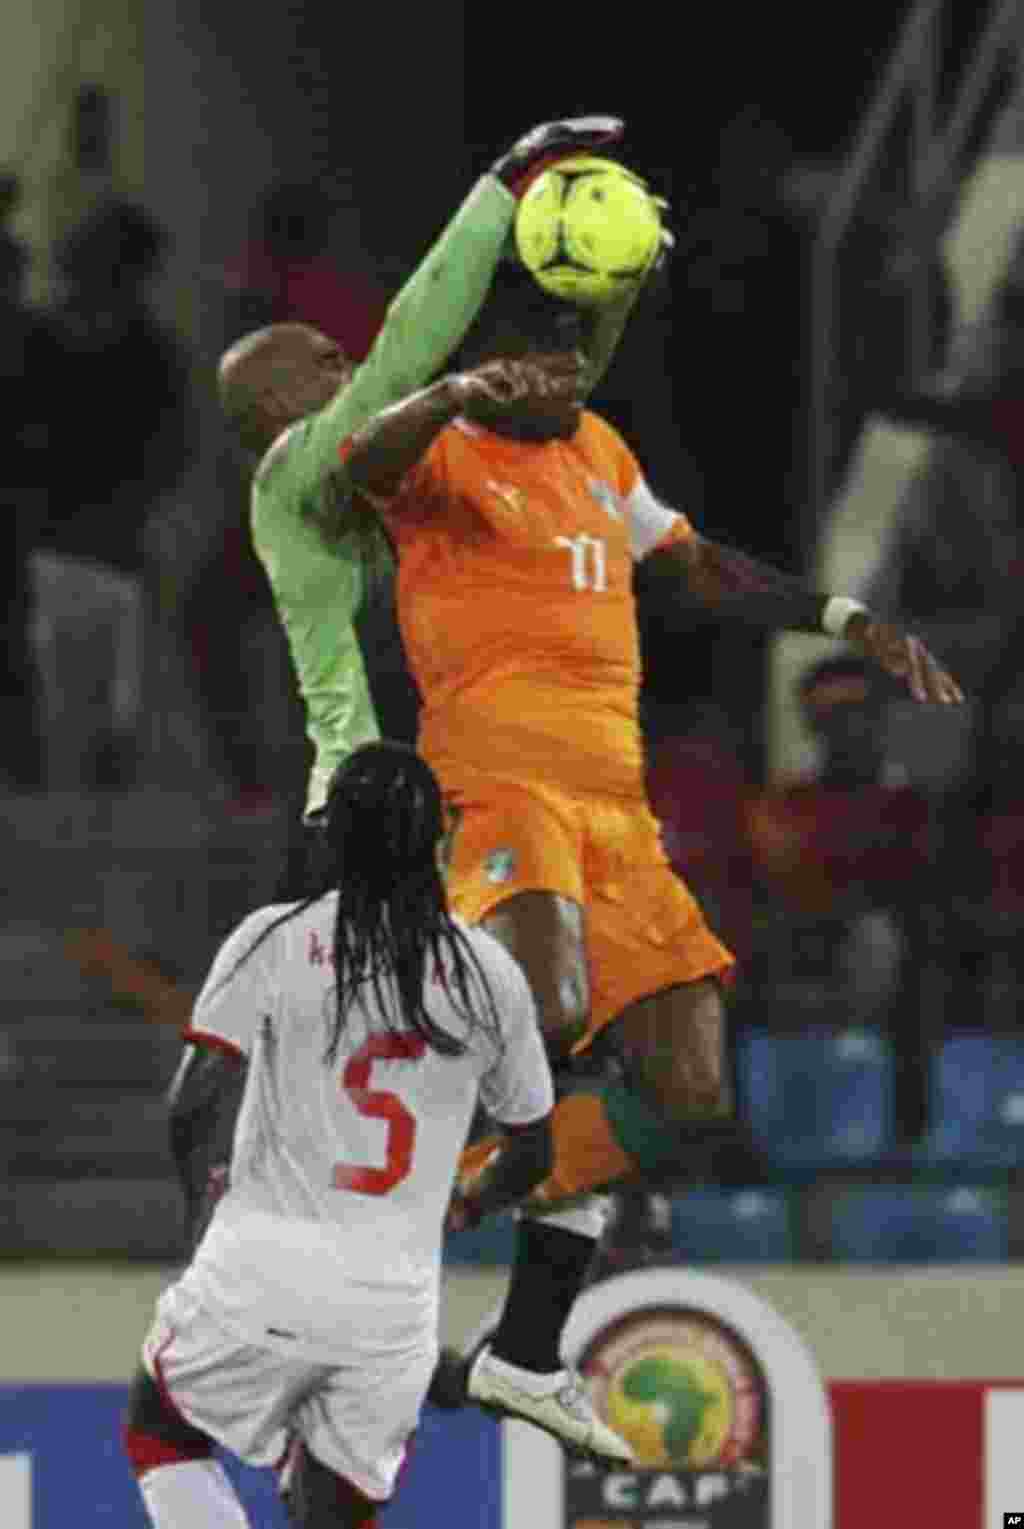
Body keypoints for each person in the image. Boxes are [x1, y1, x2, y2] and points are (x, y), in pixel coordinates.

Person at [337, 260, 963, 1418]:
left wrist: (846, 616)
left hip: (616, 813)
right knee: (556, 1009)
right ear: (498, 364)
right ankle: (405, 1197)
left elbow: (697, 566)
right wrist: (449, 392)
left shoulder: (601, 455)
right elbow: (354, 461)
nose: (570, 375)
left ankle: (453, 1206)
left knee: (690, 1083)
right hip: (500, 789)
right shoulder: (445, 452)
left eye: (582, 356)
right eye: (547, 358)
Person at [120, 741, 598, 1529]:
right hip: (393, 1308)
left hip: (259, 1269)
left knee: (160, 1432)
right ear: (440, 844)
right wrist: (466, 1205)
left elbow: (193, 1100)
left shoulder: (274, 938)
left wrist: (197, 1221)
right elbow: (534, 1151)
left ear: (331, 836)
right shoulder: (490, 974)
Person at [215, 116, 635, 840]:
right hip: (360, 812)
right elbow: (406, 350)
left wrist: (618, 294)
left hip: (426, 786)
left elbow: (561, 402)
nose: (347, 364)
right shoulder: (289, 477)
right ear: (276, 403)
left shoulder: (399, 466)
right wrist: (510, 178)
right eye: (325, 361)